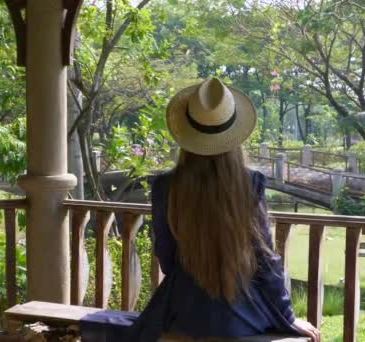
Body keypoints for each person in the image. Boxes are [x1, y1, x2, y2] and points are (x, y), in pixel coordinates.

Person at [126, 78, 321, 342]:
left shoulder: (164, 186)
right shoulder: (250, 184)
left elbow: (167, 257)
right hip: (241, 315)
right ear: (234, 135)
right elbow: (265, 260)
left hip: (183, 312)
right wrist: (287, 317)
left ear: (187, 134)